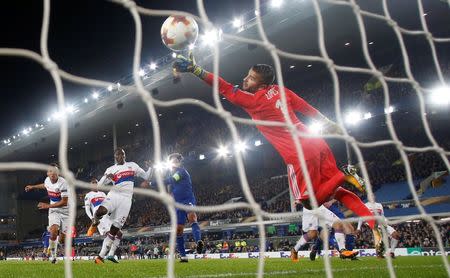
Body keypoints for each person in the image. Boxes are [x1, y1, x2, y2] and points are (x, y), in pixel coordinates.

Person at [173, 53, 383, 254]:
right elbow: (304, 106)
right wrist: (328, 123)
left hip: (299, 154)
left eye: (251, 78)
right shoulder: (281, 90)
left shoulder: (253, 101)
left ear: (262, 84)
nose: (246, 79)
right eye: (248, 74)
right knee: (337, 192)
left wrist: (196, 70)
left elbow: (225, 88)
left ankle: (343, 174)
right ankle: (375, 227)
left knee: (308, 201)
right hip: (316, 143)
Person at [88, 148, 153, 264]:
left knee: (114, 230)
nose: (120, 156)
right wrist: (107, 177)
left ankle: (100, 257)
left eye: (122, 154)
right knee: (100, 211)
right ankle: (95, 221)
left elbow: (147, 177)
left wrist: (151, 167)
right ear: (115, 157)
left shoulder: (132, 165)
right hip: (114, 195)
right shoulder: (111, 169)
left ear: (124, 155)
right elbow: (99, 186)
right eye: (118, 155)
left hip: (126, 199)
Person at [150, 153, 203, 263]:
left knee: (192, 218)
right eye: (172, 161)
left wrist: (152, 183)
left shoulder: (181, 172)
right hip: (177, 205)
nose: (174, 163)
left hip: (187, 200)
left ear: (179, 162)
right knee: (179, 231)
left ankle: (199, 242)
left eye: (175, 161)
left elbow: (172, 180)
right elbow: (170, 190)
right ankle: (183, 256)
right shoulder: (172, 175)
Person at [25, 164, 70, 264]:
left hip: (66, 211)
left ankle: (56, 243)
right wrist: (33, 186)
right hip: (54, 210)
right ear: (47, 173)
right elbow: (45, 185)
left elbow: (64, 202)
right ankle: (54, 257)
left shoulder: (63, 183)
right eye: (50, 171)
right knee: (53, 231)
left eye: (55, 171)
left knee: (62, 240)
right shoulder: (47, 180)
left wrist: (47, 206)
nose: (53, 173)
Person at [291, 204, 359, 262]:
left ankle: (343, 250)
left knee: (338, 224)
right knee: (312, 234)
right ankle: (295, 250)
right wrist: (299, 199)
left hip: (320, 206)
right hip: (309, 207)